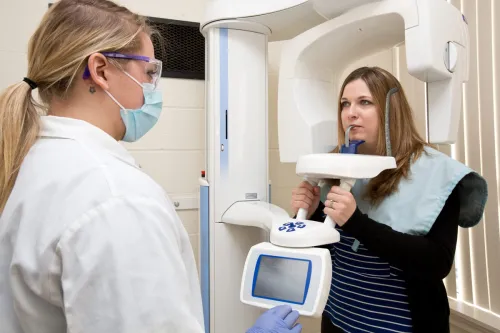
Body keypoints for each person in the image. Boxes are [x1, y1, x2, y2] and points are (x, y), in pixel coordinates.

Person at [0, 1, 303, 333]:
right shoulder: (118, 200)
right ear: (100, 71)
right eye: (148, 72)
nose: (153, 88)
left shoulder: (28, 163)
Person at [291, 66, 488, 333]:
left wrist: (357, 223)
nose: (351, 113)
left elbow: (437, 263)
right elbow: (326, 255)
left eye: (365, 102)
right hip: (339, 319)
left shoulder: (436, 174)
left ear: (391, 110)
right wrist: (310, 215)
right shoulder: (333, 165)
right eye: (345, 104)